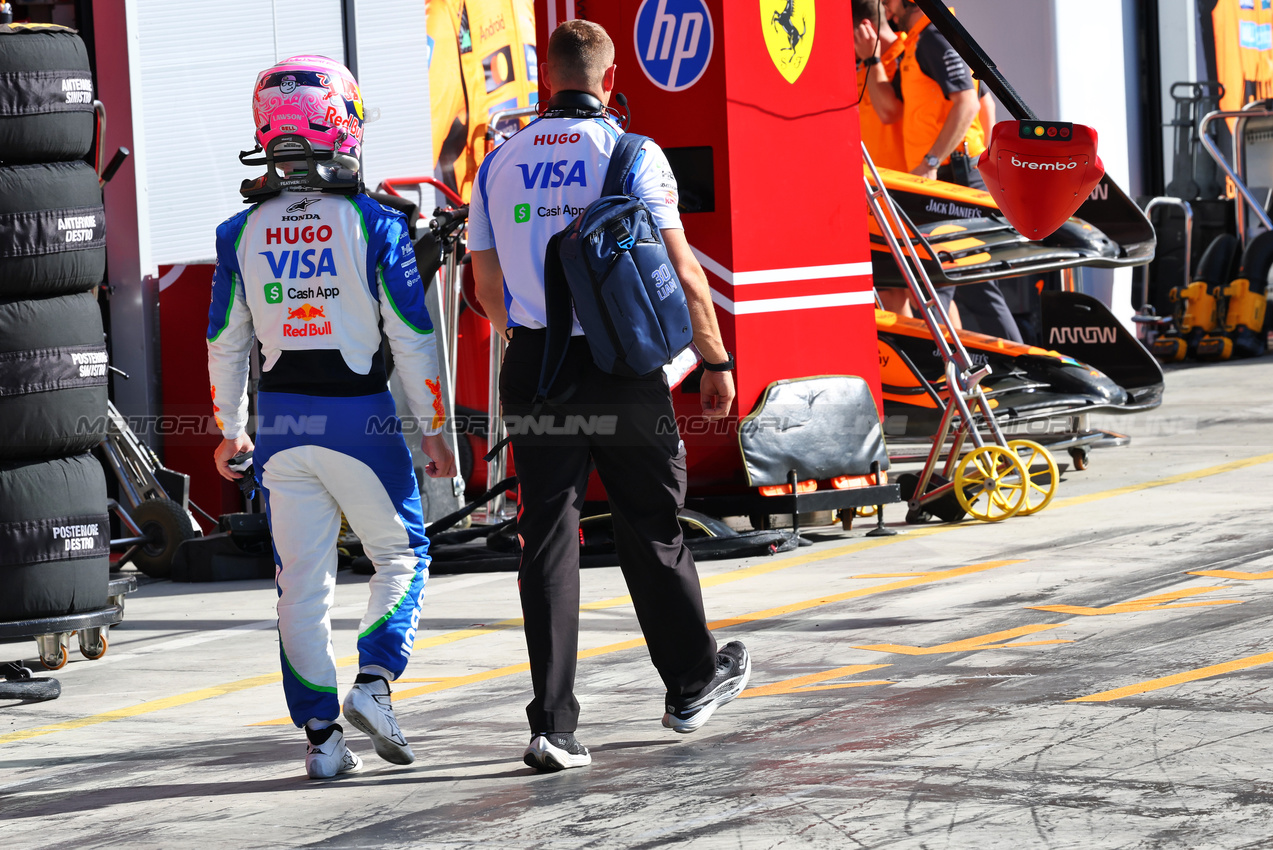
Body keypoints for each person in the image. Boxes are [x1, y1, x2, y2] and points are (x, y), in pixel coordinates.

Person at [468, 20, 750, 772]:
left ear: (546, 80)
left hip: (533, 366)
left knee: (548, 538)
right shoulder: (632, 153)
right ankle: (690, 683)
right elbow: (682, 270)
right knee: (649, 520)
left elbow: (485, 286)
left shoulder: (497, 161)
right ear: (609, 72)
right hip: (622, 365)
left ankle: (552, 727)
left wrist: (524, 340)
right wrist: (716, 357)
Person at [207, 56, 457, 780]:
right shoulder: (376, 223)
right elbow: (413, 337)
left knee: (300, 587)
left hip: (281, 431)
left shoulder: (237, 232)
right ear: (338, 123)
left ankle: (320, 742)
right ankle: (375, 684)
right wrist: (435, 429)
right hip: (363, 423)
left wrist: (230, 427)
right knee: (402, 557)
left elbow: (224, 340)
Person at [865, 0, 1023, 342]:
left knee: (959, 286)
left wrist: (932, 161)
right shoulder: (923, 40)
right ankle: (984, 375)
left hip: (952, 176)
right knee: (965, 288)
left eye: (890, 1)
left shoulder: (936, 37)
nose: (887, 8)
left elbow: (968, 101)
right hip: (949, 176)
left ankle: (1009, 373)